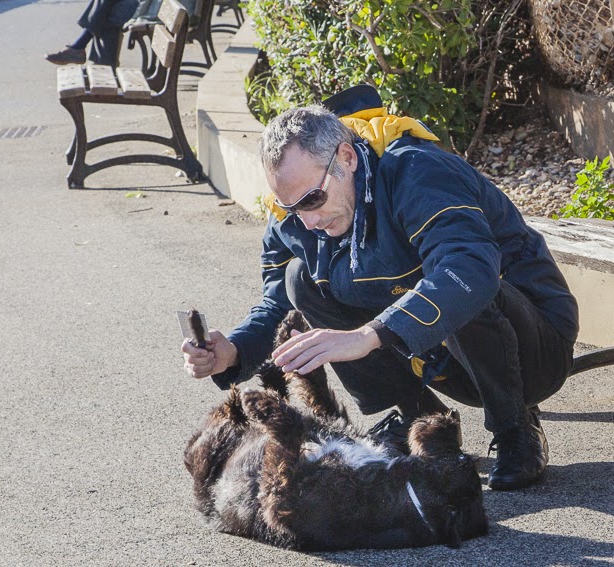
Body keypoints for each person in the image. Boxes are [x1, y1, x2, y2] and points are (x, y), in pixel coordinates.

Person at [181, 85, 579, 491]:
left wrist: (369, 336)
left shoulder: (419, 172)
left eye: (314, 200)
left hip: (532, 350)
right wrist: (232, 353)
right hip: (443, 361)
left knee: (459, 279)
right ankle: (420, 419)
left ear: (348, 158)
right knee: (300, 279)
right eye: (291, 207)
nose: (307, 221)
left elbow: (469, 269)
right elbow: (278, 305)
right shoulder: (299, 210)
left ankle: (516, 427)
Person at [45, 0, 140, 66]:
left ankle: (79, 48)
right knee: (104, 13)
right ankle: (100, 64)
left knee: (105, 14)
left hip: (144, 7)